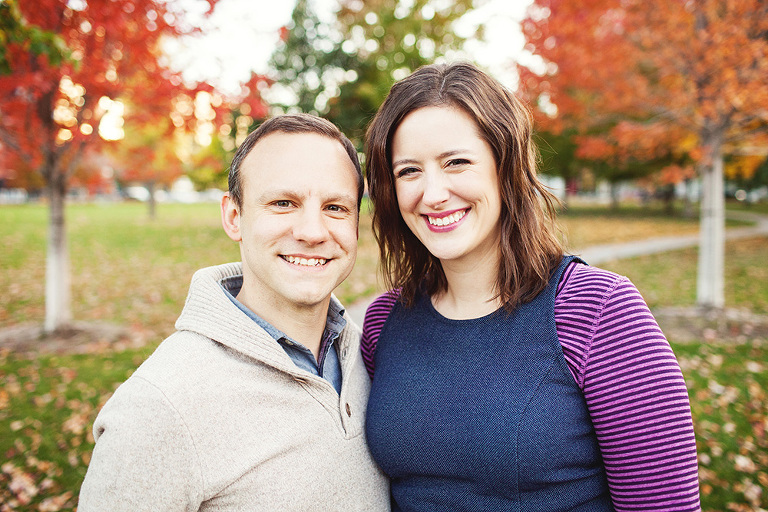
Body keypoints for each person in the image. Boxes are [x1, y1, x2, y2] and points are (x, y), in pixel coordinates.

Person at [361, 62, 701, 512]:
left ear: (506, 168)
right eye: (409, 171)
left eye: (456, 162)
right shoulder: (384, 322)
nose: (433, 192)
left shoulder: (599, 312)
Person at [78, 114, 389, 511]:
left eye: (335, 207)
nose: (313, 231)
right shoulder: (159, 407)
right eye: (283, 203)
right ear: (233, 217)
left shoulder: (370, 354)